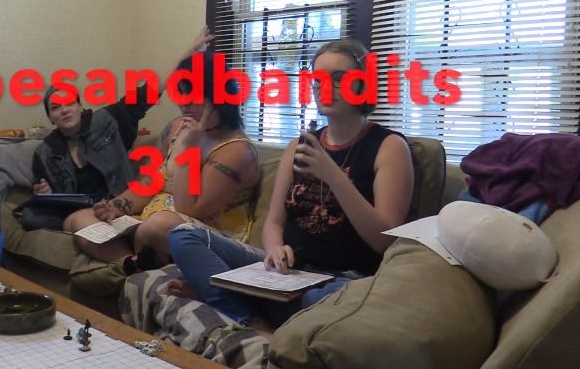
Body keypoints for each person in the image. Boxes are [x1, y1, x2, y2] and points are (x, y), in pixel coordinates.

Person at [166, 38, 415, 330]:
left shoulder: (389, 147)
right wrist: (275, 250)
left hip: (342, 280)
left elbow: (384, 240)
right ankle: (252, 316)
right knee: (184, 236)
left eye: (339, 78)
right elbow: (273, 222)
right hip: (286, 273)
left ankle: (231, 299)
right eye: (318, 79)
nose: (325, 87)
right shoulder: (299, 145)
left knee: (327, 301)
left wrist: (333, 175)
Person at [63, 50, 261, 273]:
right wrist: (114, 207)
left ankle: (136, 258)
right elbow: (149, 182)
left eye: (194, 95)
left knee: (157, 226)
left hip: (197, 234)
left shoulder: (237, 150)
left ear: (219, 96)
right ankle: (131, 263)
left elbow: (189, 209)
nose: (185, 104)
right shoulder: (177, 127)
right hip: (148, 224)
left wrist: (190, 148)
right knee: (79, 219)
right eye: (181, 94)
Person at [22, 28, 216, 231]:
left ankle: (92, 229)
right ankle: (78, 227)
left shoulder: (108, 120)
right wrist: (44, 192)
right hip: (73, 210)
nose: (64, 110)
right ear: (50, 118)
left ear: (80, 106)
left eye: (69, 103)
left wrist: (189, 51)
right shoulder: (45, 152)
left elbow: (150, 90)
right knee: (31, 218)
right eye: (55, 107)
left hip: (114, 206)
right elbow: (47, 195)